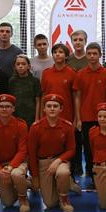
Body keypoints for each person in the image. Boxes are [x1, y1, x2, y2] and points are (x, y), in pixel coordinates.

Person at [41, 43, 81, 190]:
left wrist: (77, 118)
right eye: (55, 52)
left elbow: (76, 96)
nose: (58, 54)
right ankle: (52, 177)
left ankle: (70, 178)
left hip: (67, 116)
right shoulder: (46, 73)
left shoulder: (72, 73)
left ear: (66, 55)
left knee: (69, 147)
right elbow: (43, 95)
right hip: (49, 117)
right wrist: (41, 117)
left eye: (61, 52)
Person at [29, 93, 76, 212]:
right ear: (44, 109)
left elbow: (71, 149)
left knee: (63, 172)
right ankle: (66, 183)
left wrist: (58, 160)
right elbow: (32, 154)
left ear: (61, 109)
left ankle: (64, 199)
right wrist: (35, 177)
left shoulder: (67, 126)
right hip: (43, 163)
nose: (52, 109)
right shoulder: (36, 128)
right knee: (50, 203)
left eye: (55, 106)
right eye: (49, 106)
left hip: (60, 161)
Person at [0, 94, 30, 212]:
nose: (4, 109)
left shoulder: (21, 125)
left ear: (13, 109)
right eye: (1, 106)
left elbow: (22, 151)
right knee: (7, 203)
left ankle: (23, 198)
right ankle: (22, 183)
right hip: (1, 166)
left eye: (8, 106)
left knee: (16, 174)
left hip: (17, 163)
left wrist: (10, 167)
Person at [75, 42, 106, 186]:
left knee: (104, 147)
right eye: (89, 53)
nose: (92, 56)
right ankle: (91, 175)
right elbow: (77, 97)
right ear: (86, 55)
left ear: (100, 55)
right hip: (86, 117)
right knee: (89, 148)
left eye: (94, 54)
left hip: (103, 118)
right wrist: (78, 118)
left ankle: (105, 174)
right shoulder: (80, 74)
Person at [9, 54, 41, 127]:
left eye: (23, 64)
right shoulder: (12, 81)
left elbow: (38, 100)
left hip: (31, 115)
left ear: (28, 66)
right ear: (15, 67)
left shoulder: (35, 81)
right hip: (16, 115)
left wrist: (37, 118)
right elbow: (11, 101)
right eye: (18, 64)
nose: (20, 66)